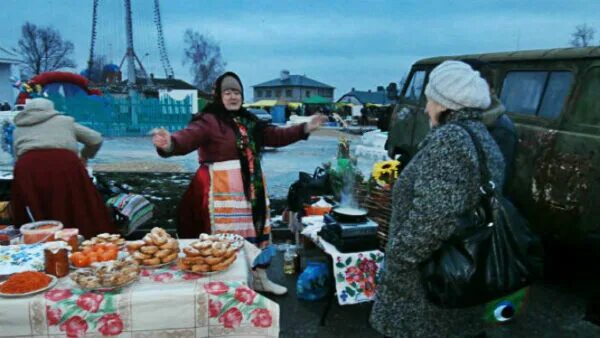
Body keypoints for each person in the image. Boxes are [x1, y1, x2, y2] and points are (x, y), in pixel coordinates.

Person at [152, 71, 325, 295]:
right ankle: (227, 286)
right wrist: (169, 144)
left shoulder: (249, 121)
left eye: (237, 92)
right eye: (228, 92)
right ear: (218, 96)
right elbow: (187, 137)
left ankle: (260, 279)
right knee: (225, 239)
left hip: (252, 189)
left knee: (256, 232)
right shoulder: (207, 121)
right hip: (221, 189)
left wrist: (304, 129)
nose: (233, 97)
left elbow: (275, 136)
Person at [370, 61, 506, 338]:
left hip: (426, 283)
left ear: (445, 104)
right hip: (459, 270)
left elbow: (433, 217)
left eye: (430, 99)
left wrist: (397, 259)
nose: (426, 107)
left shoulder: (451, 141)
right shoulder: (481, 136)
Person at [11, 98, 115, 238]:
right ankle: (79, 237)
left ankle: (38, 239)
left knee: (36, 203)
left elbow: (17, 155)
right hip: (64, 165)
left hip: (28, 168)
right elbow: (95, 139)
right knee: (74, 201)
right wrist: (84, 156)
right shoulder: (65, 121)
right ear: (51, 108)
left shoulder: (19, 128)